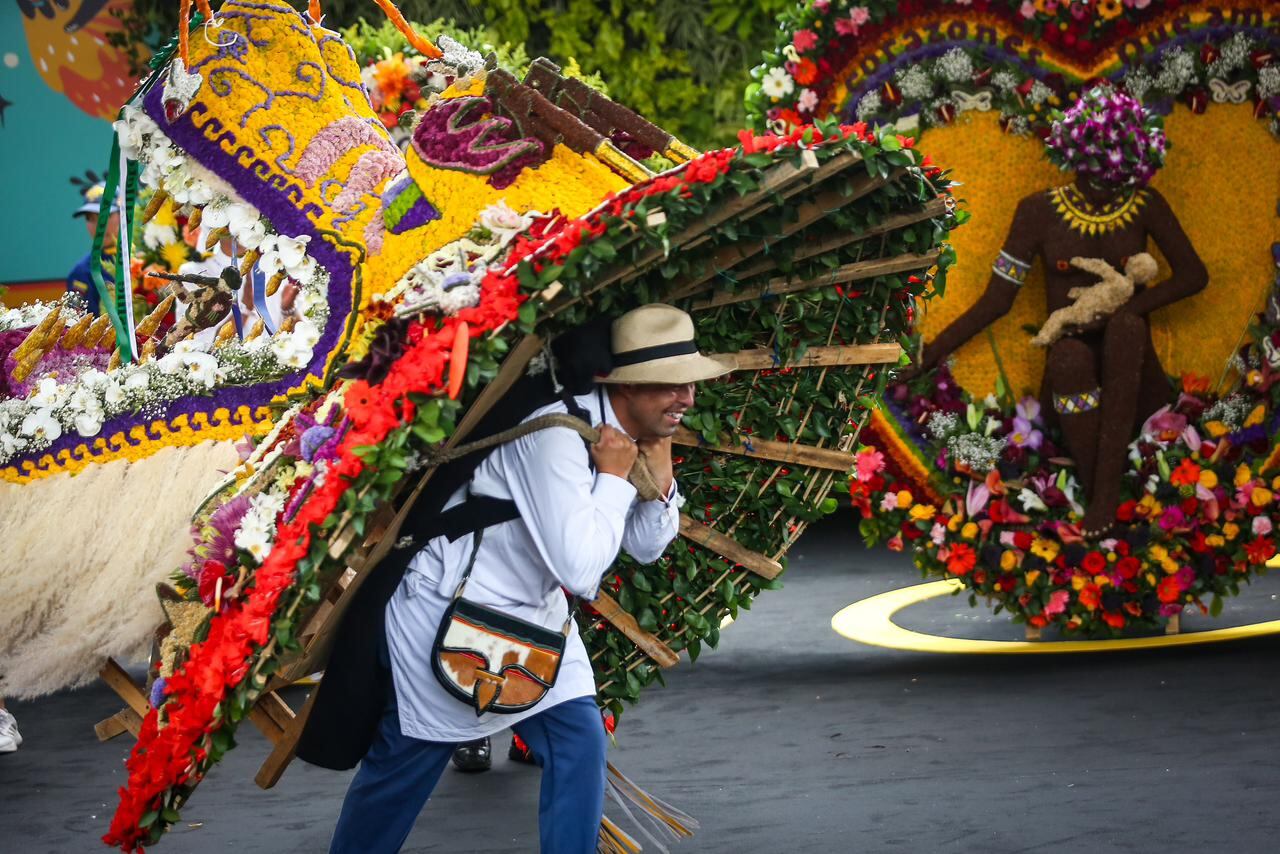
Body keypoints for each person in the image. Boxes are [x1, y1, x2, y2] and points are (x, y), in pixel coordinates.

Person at [324, 304, 730, 853]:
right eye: (670, 386)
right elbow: (581, 570)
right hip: (447, 609)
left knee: (579, 739)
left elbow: (645, 547)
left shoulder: (624, 436)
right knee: (404, 765)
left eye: (690, 385)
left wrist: (658, 483)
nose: (686, 399)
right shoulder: (556, 432)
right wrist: (614, 478)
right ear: (624, 385)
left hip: (531, 617)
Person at [910, 89, 1206, 537]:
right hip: (1069, 357)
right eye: (1099, 171)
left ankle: (1103, 500)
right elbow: (998, 299)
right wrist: (931, 353)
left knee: (1127, 327)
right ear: (1077, 157)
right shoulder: (1038, 212)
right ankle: (1100, 497)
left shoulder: (1145, 204)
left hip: (1131, 360)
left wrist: (1129, 308)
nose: (1109, 186)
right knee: (1068, 358)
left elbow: (1193, 275)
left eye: (1119, 173)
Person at [65, 183, 120, 316]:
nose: (98, 225)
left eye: (105, 216)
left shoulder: (146, 260)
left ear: (123, 214)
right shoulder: (81, 273)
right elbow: (76, 325)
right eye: (90, 219)